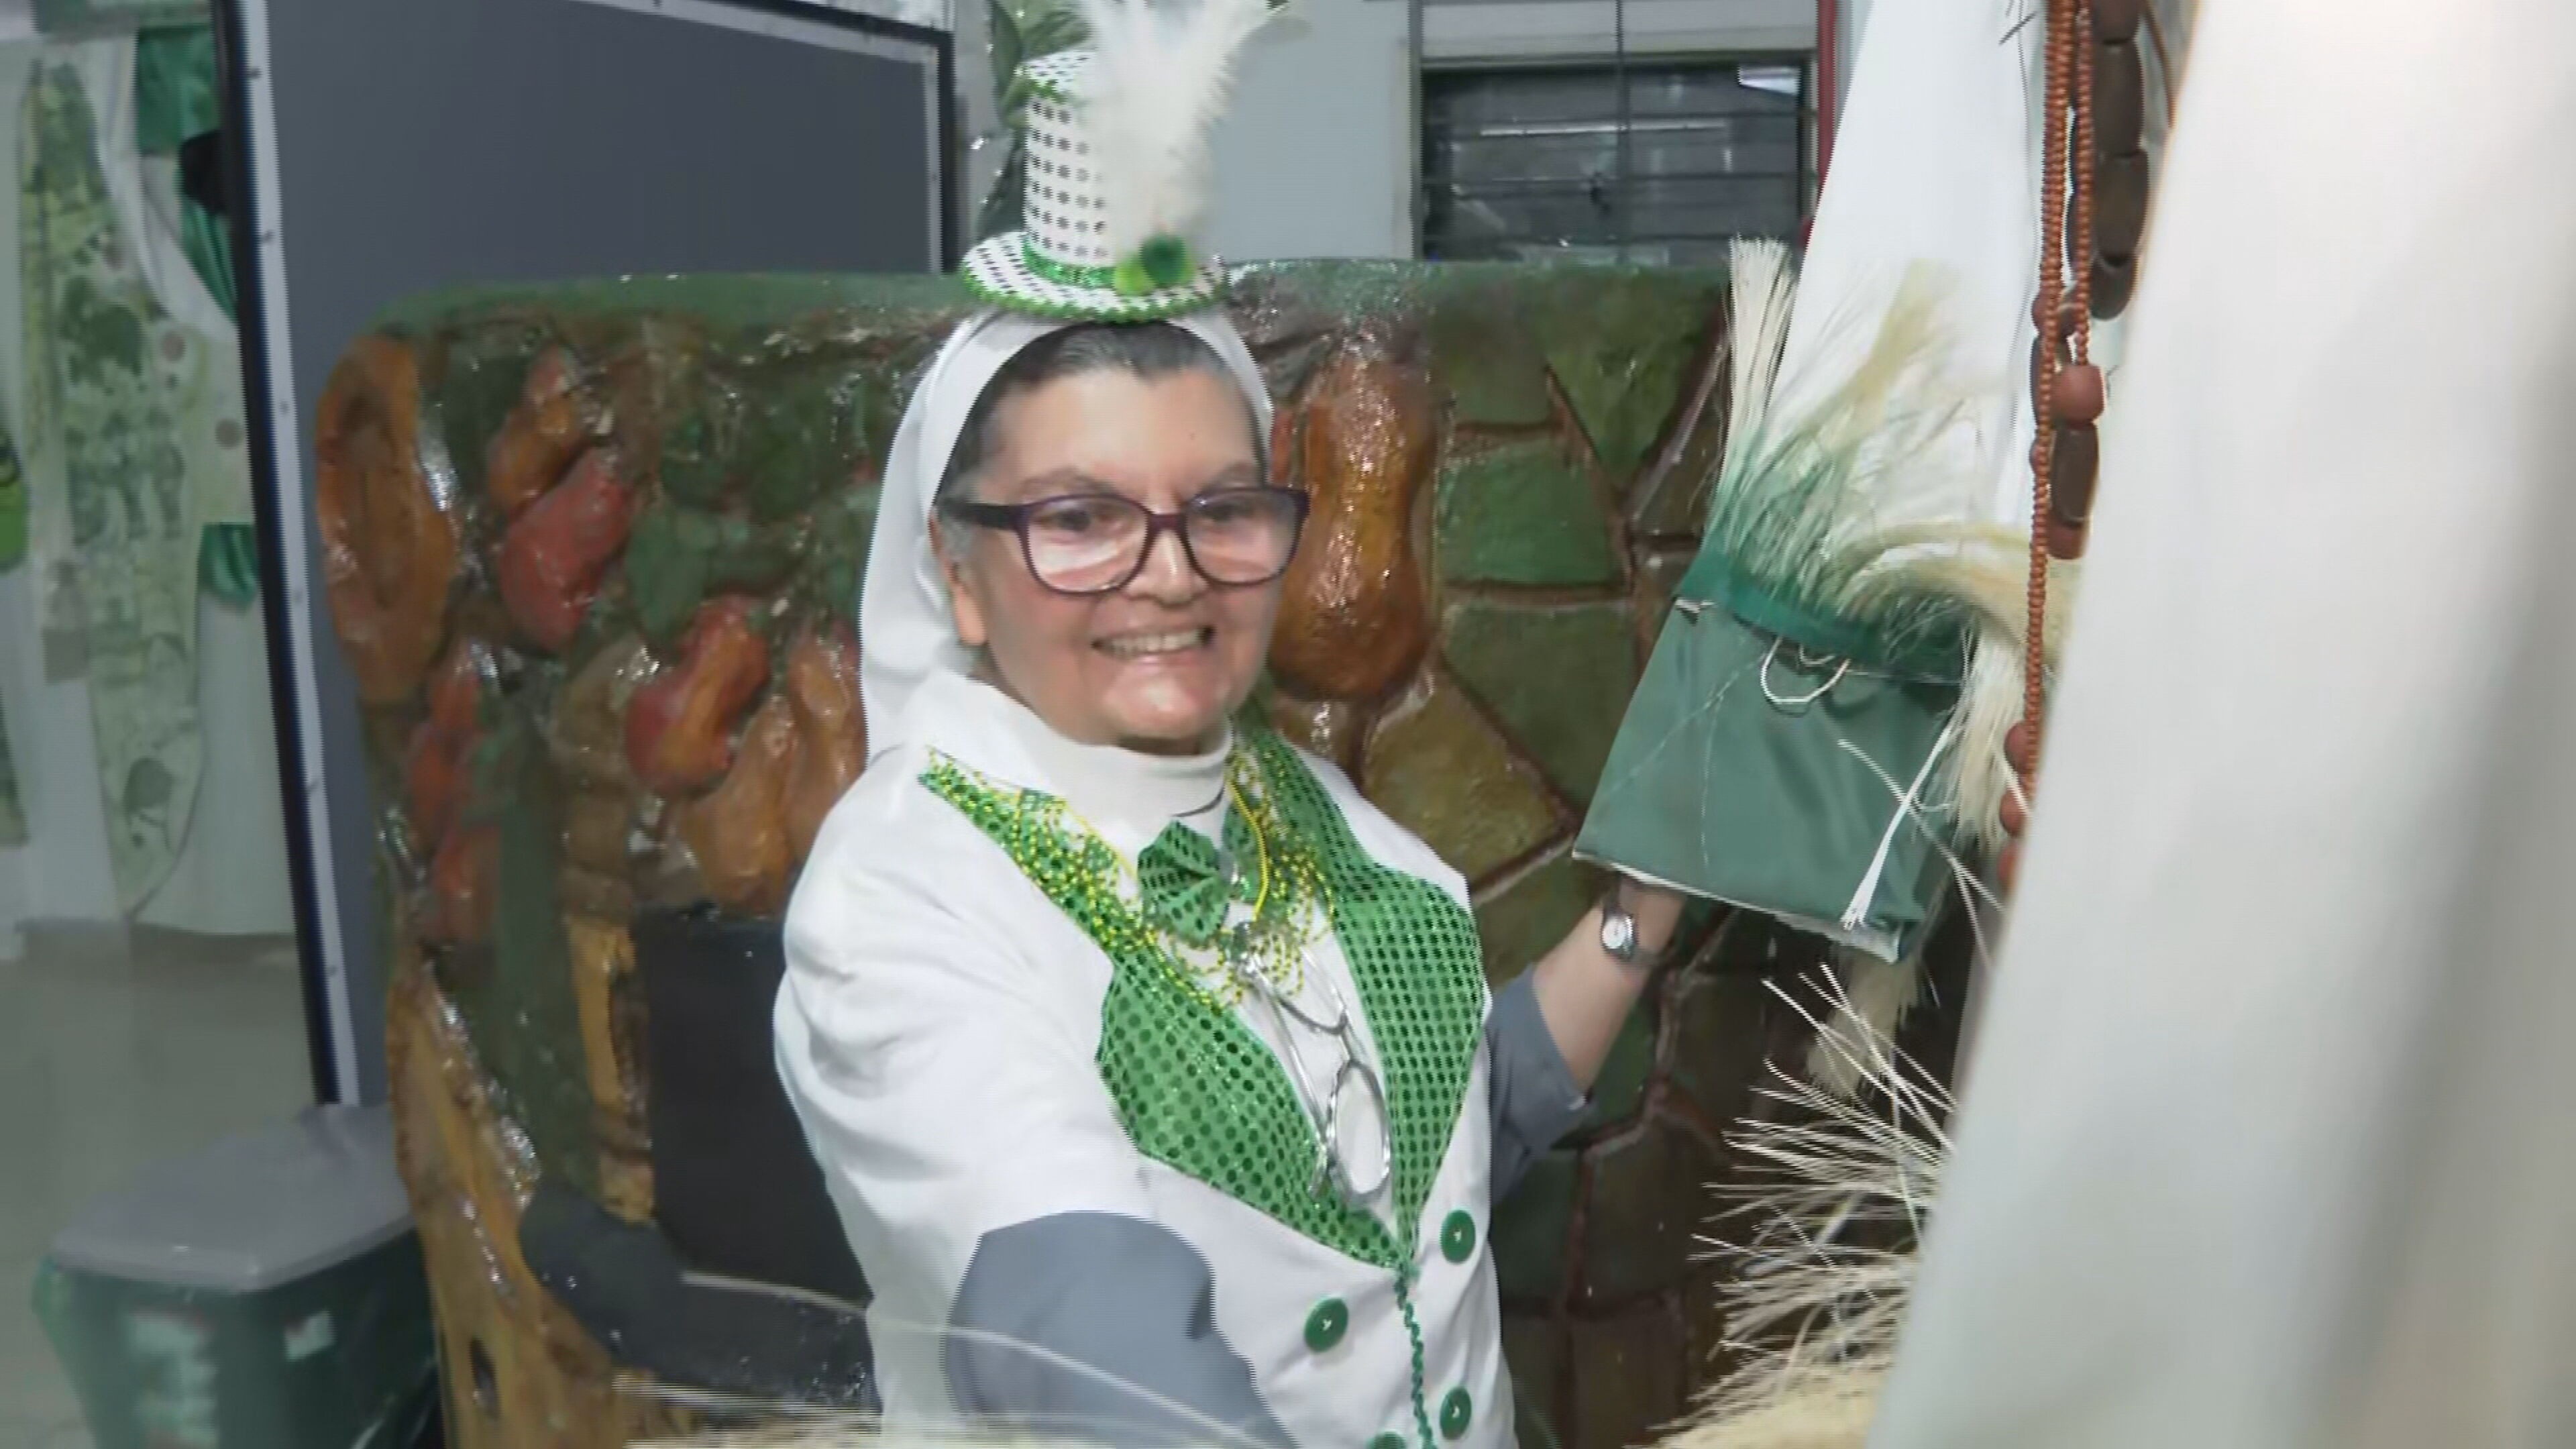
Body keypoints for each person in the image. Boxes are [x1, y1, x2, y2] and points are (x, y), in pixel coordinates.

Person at [772, 23, 1687, 1449]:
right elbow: (1088, 1333)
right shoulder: (903, 897)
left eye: (1220, 508)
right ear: (957, 570)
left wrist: (1647, 910)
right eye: (1080, 518)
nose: (1171, 569)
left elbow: (1421, 1161)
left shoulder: (1303, 812)